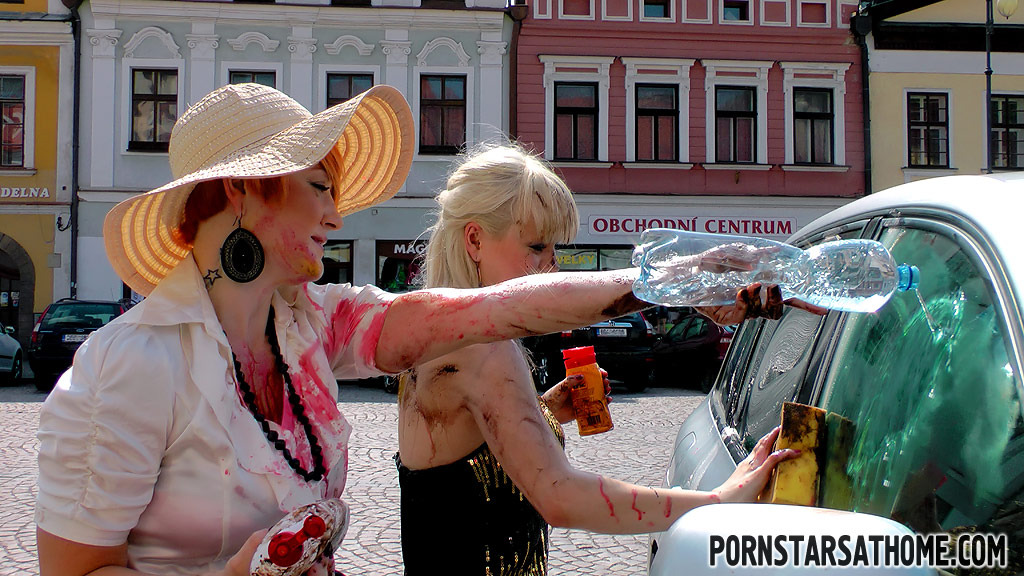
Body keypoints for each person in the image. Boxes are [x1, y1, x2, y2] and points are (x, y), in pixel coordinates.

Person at [34, 83, 793, 576]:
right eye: (319, 186)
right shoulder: (129, 366)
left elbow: (489, 311)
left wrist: (668, 281)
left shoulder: (312, 326)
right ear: (243, 190)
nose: (336, 215)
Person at [395, 145, 813, 575]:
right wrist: (719, 499)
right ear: (475, 240)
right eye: (536, 246)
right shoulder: (481, 351)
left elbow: (458, 457)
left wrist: (543, 410)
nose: (551, 266)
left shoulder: (433, 332)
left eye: (553, 248)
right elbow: (560, 495)